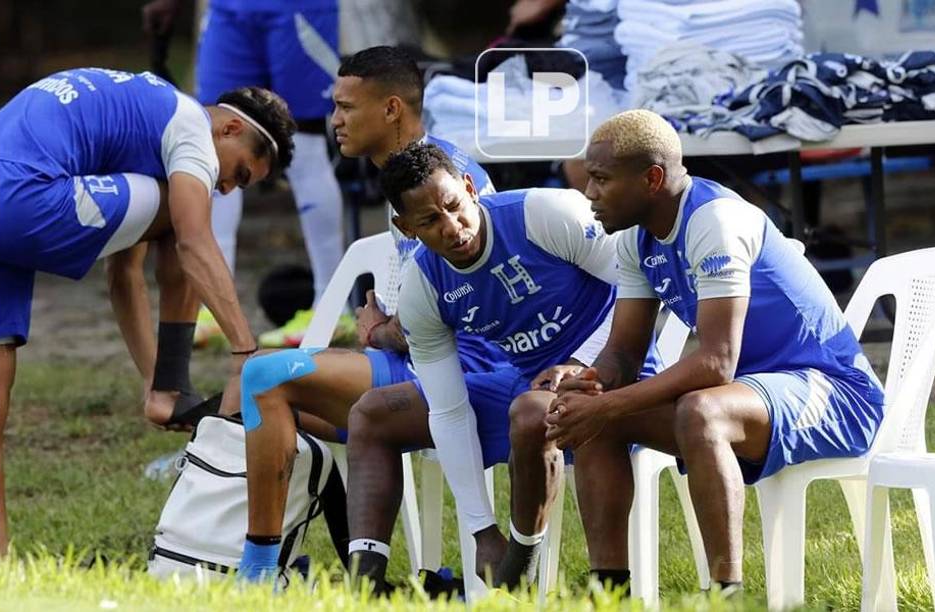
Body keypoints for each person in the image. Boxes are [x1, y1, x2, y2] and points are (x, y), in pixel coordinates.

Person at [546, 110, 886, 596]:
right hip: (750, 396)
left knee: (702, 412)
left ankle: (727, 595)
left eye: (601, 179)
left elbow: (715, 362)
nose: (589, 193)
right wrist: (589, 384)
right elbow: (622, 353)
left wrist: (610, 401)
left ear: (653, 179)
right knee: (596, 418)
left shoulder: (715, 220)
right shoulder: (635, 238)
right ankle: (610, 593)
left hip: (834, 393)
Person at [230, 46, 511, 584]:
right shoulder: (400, 178)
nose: (334, 120)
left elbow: (468, 305)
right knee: (245, 394)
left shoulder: (444, 177)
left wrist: (383, 329)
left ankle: (258, 572)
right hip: (419, 358)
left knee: (263, 376)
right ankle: (238, 553)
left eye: (345, 107)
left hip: (463, 367)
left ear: (391, 110)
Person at [0, 68, 297, 556]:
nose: (226, 187)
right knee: (189, 217)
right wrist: (246, 347)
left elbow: (124, 279)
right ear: (230, 129)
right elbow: (192, 242)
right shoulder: (193, 131)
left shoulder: (143, 123)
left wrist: (151, 384)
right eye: (238, 174)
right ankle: (170, 387)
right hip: (20, 196)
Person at [341, 142, 659, 592]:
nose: (453, 228)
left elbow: (639, 281)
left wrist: (583, 362)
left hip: (619, 365)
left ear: (469, 188)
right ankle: (363, 589)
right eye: (430, 221)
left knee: (530, 412)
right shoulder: (423, 288)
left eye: (453, 206)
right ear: (405, 228)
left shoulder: (544, 213)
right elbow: (448, 411)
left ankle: (519, 570)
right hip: (528, 384)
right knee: (373, 412)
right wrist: (480, 530)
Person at [142, 0, 349, 348]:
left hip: (297, 9)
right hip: (228, 10)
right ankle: (213, 308)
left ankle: (331, 306)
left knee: (306, 146)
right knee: (213, 140)